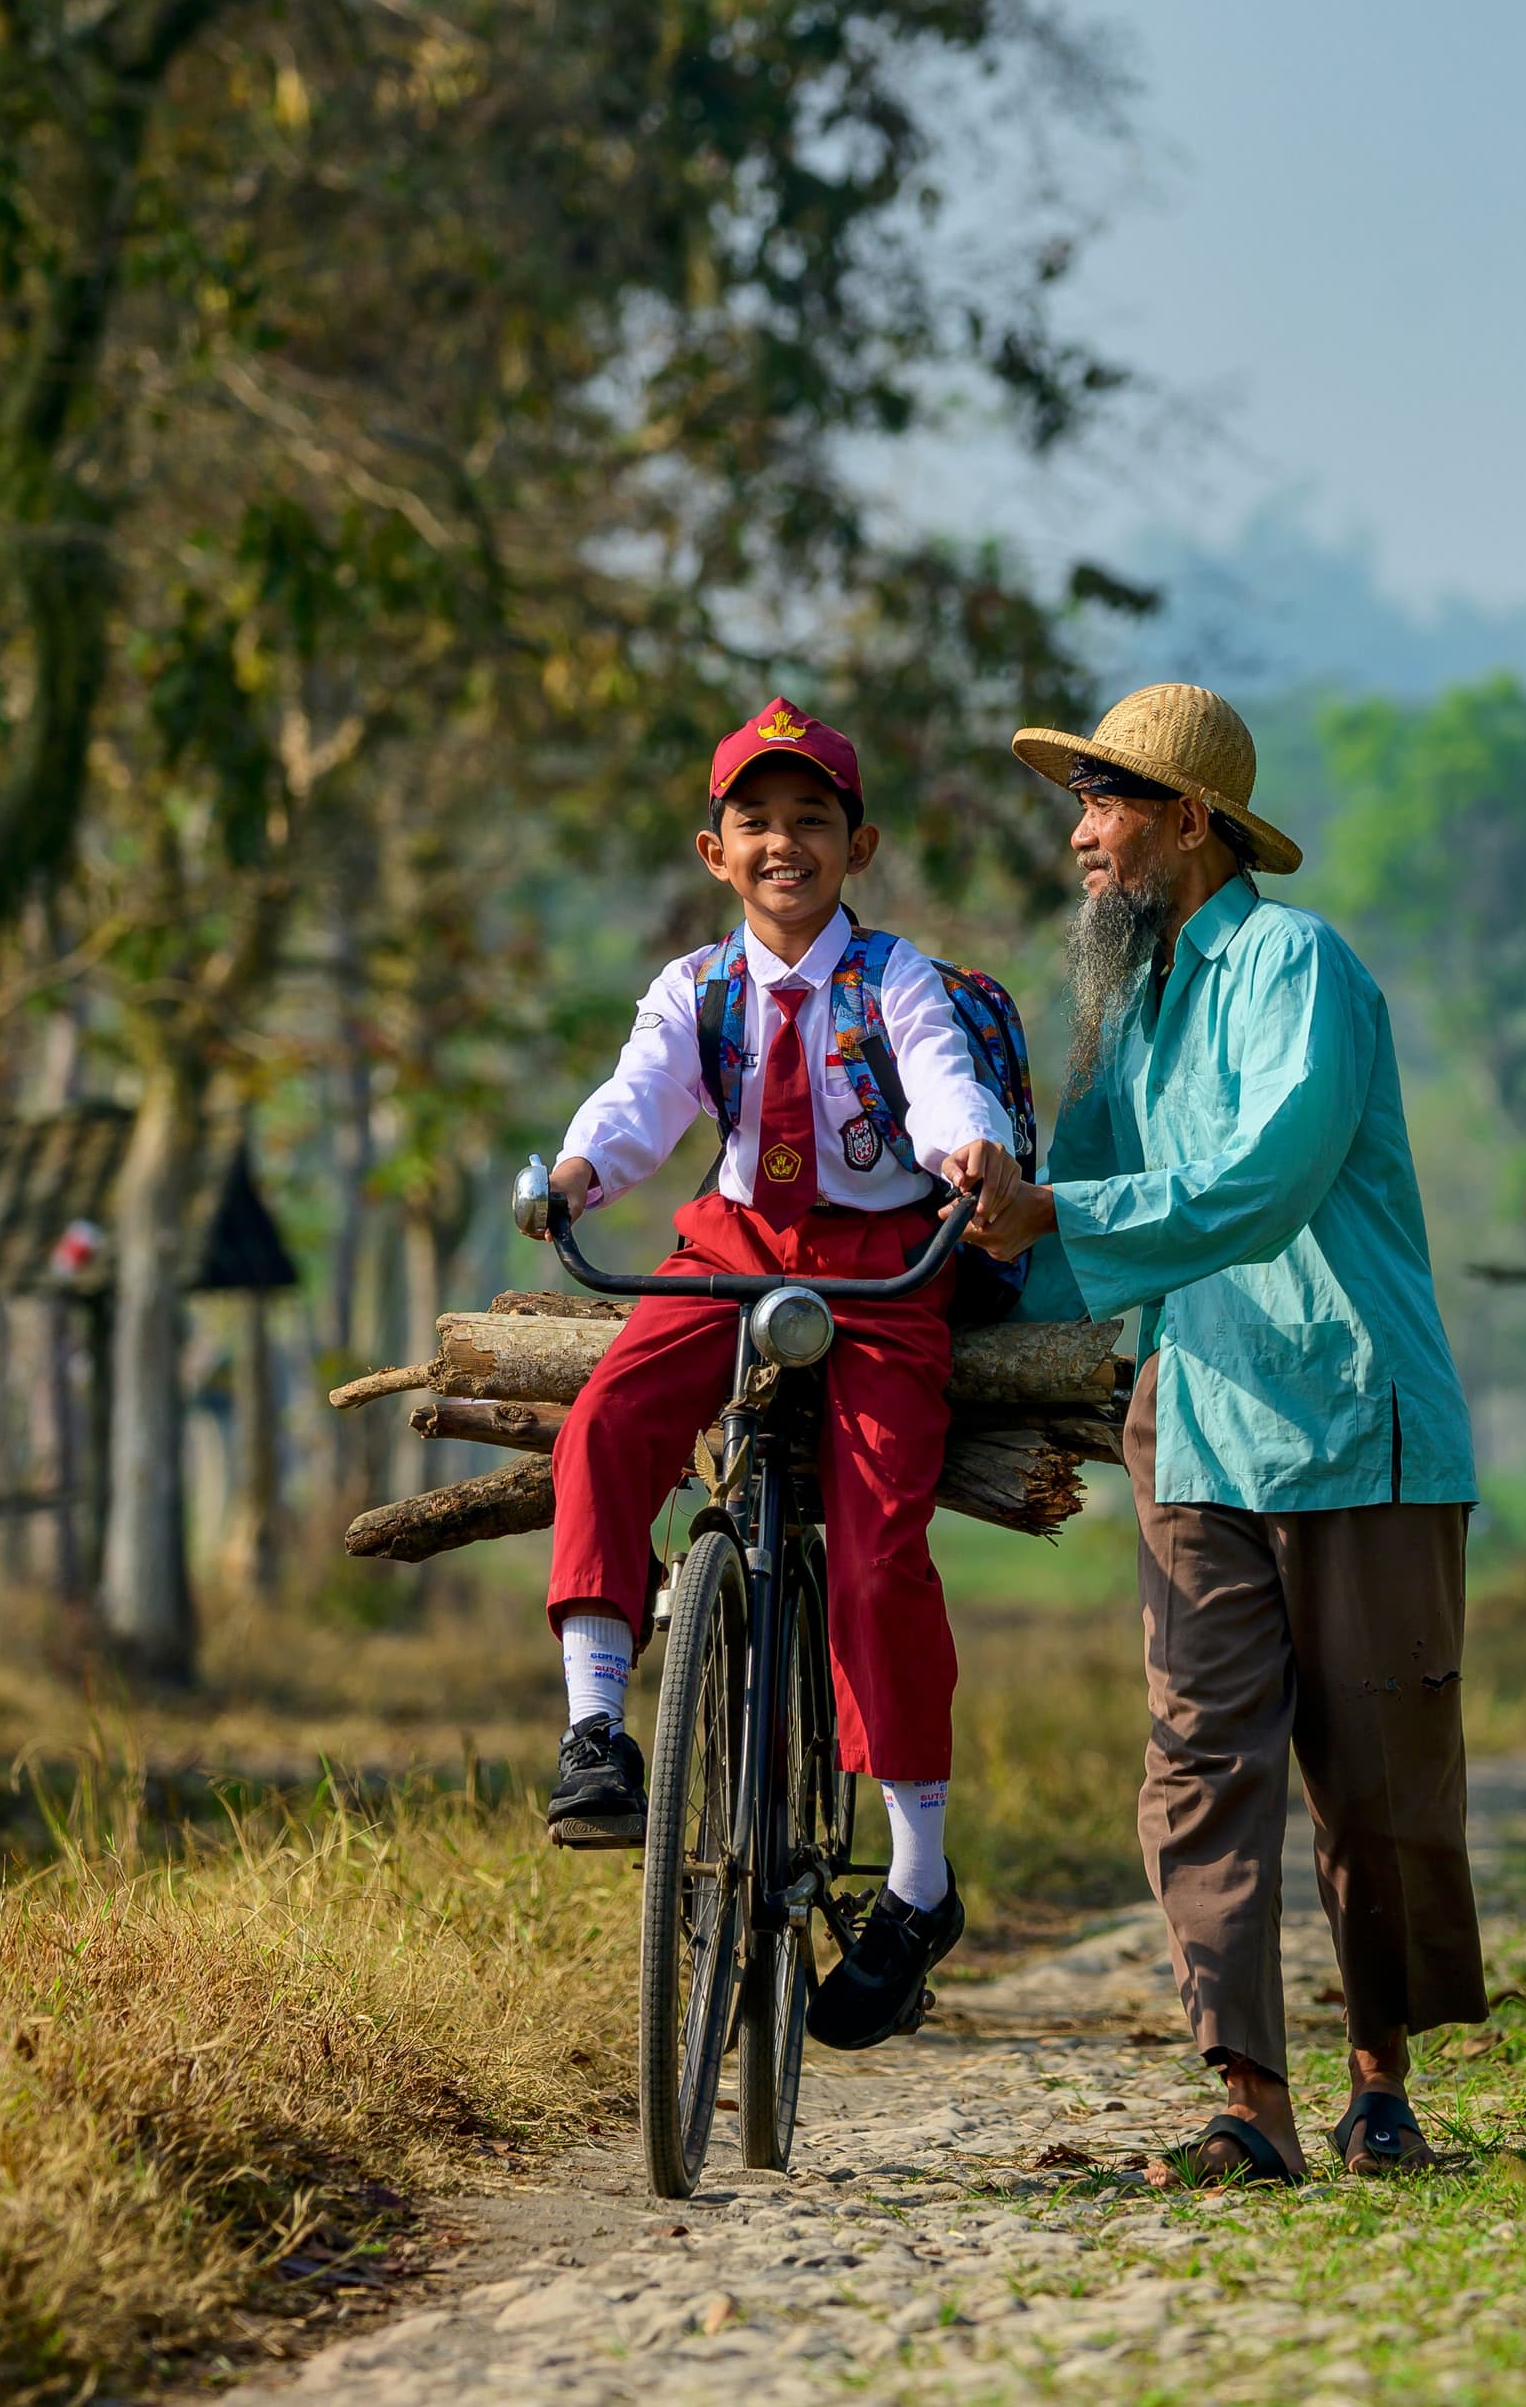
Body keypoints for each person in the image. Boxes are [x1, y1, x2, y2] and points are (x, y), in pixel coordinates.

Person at [966, 682, 1479, 2188]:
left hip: (1353, 1422)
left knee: (1373, 1781)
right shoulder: (1129, 1006)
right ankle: (1248, 2092)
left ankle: (1379, 2080)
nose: (1080, 838)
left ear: (1190, 821)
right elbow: (1070, 1229)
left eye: (1104, 804)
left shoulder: (1295, 965)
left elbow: (1262, 1182)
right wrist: (924, 1296)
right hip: (1190, 1423)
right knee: (1198, 1763)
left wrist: (1059, 1209)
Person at [535, 697, 1020, 2049]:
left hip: (882, 1266)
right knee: (610, 1419)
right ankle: (595, 1730)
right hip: (736, 1241)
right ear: (715, 849)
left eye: (813, 820)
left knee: (875, 1549)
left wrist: (969, 1151)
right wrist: (577, 1169)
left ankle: (918, 1875)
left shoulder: (897, 980)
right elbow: (639, 1099)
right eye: (757, 821)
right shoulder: (699, 989)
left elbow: (938, 1081)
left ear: (856, 844)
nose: (785, 842)